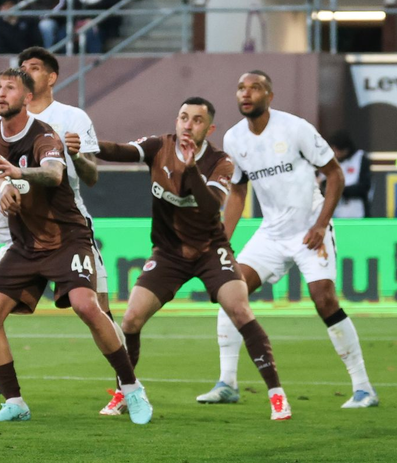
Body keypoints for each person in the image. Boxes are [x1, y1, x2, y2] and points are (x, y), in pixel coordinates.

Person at [0, 68, 151, 424]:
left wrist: (18, 175)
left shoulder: (44, 134)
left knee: (87, 307)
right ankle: (15, 402)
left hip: (65, 238)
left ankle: (132, 389)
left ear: (26, 98)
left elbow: (54, 175)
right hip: (24, 243)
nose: (2, 94)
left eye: (10, 88)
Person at [96, 96, 291, 421]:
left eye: (196, 120)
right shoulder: (159, 146)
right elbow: (119, 151)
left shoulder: (220, 161)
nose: (188, 124)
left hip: (209, 251)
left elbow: (210, 205)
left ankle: (276, 395)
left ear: (209, 128)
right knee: (130, 320)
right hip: (169, 253)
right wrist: (85, 143)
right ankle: (125, 391)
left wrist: (189, 172)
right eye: (183, 117)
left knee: (240, 311)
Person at [194, 72, 377, 409]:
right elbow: (237, 190)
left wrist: (322, 225)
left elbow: (334, 174)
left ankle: (363, 387)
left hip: (310, 228)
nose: (246, 93)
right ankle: (227, 383)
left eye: (254, 88)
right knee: (230, 290)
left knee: (324, 300)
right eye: (241, 88)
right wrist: (222, 240)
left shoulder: (296, 128)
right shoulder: (235, 139)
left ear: (270, 95)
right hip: (271, 232)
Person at [328, 131, 371, 219]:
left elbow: (364, 187)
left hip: (357, 212)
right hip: (337, 213)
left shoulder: (360, 158)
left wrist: (341, 190)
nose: (335, 153)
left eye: (337, 150)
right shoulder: (331, 162)